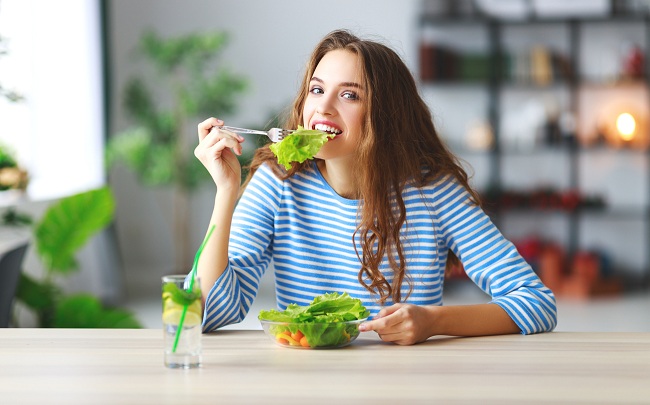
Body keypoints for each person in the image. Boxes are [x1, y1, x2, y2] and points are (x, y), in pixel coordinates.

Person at [193, 29, 557, 345]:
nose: (324, 107)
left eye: (349, 95)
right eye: (316, 89)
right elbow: (208, 313)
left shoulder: (434, 191)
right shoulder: (279, 183)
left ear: (386, 114)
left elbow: (536, 303)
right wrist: (226, 192)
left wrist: (434, 321)